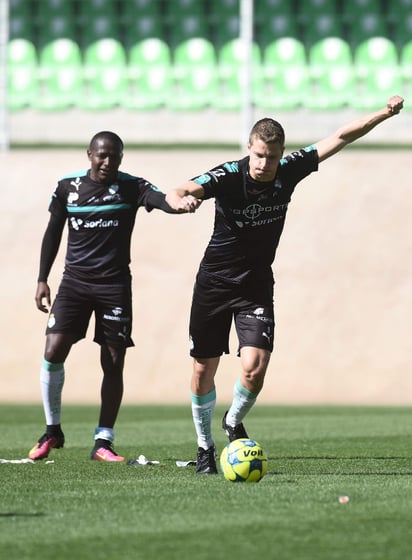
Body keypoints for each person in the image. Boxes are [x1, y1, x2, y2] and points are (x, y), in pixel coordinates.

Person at [166, 95, 405, 474]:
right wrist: (180, 201)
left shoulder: (289, 170)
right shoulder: (229, 175)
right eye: (260, 155)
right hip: (214, 283)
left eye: (272, 157)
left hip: (256, 285)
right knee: (201, 370)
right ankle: (205, 447)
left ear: (280, 154)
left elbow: (341, 136)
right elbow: (182, 189)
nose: (265, 164)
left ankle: (232, 421)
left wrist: (383, 113)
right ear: (249, 148)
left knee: (255, 367)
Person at [28, 131, 199, 462]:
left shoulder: (131, 186)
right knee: (53, 348)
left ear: (121, 158)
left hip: (114, 287)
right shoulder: (68, 189)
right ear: (89, 154)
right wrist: (41, 279)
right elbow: (53, 232)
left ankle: (102, 441)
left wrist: (180, 204)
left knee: (113, 361)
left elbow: (163, 200)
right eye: (101, 155)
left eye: (114, 157)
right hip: (74, 284)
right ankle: (52, 431)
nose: (107, 162)